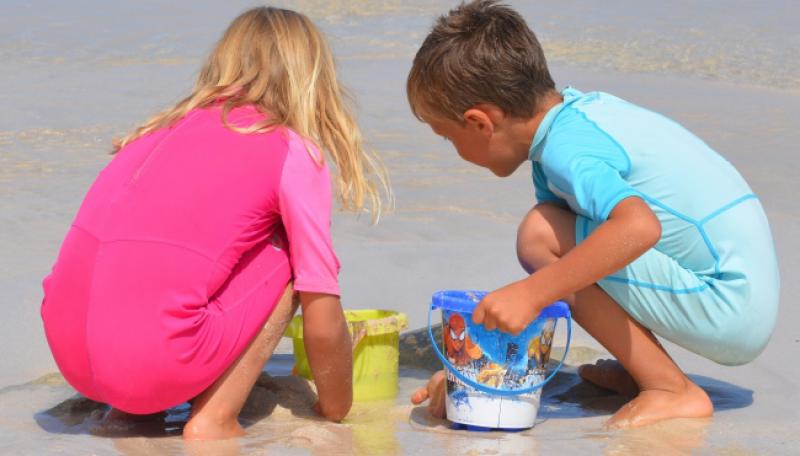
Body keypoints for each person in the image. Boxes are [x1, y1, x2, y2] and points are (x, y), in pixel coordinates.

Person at [408, 0, 779, 428]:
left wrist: (531, 294)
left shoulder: (567, 150)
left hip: (730, 306)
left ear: (479, 123)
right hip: (736, 291)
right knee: (565, 235)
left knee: (539, 236)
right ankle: (644, 368)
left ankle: (670, 388)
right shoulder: (578, 116)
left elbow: (640, 227)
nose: (453, 150)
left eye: (446, 136)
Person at [40, 6, 388, 440]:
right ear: (313, 80)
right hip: (153, 362)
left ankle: (130, 413)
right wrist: (335, 409)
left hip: (71, 352)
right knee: (290, 251)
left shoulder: (153, 131)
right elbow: (320, 306)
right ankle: (215, 417)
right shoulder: (288, 148)